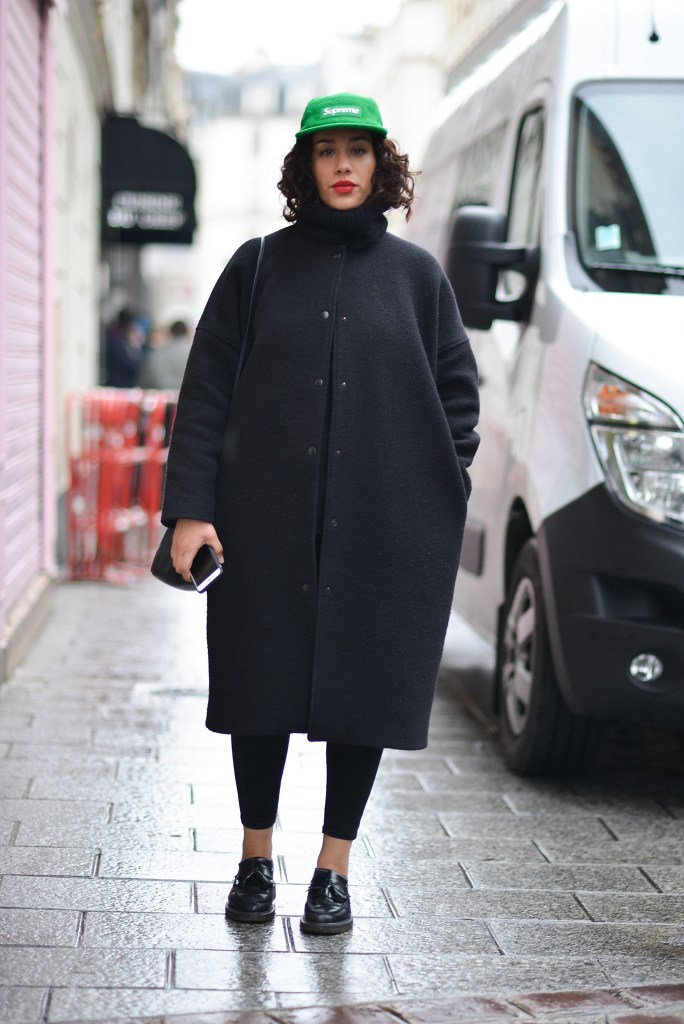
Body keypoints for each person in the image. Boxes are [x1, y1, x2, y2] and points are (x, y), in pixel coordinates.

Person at [161, 93, 480, 935]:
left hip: (383, 533)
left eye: (359, 151)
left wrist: (436, 492)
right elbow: (205, 395)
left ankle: (333, 872)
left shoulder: (419, 279)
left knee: (365, 698)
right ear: (305, 166)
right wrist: (190, 511)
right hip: (258, 528)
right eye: (327, 150)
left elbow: (458, 401)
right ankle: (255, 858)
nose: (343, 165)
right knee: (255, 691)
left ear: (382, 166)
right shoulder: (256, 265)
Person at [137, 319, 192, 391]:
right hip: (186, 396)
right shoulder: (193, 355)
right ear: (186, 333)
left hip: (162, 395)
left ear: (170, 333)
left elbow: (148, 380)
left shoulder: (157, 353)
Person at [104, 308, 146, 387]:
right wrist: (136, 348)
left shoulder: (118, 341)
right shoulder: (117, 344)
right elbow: (131, 365)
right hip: (118, 385)